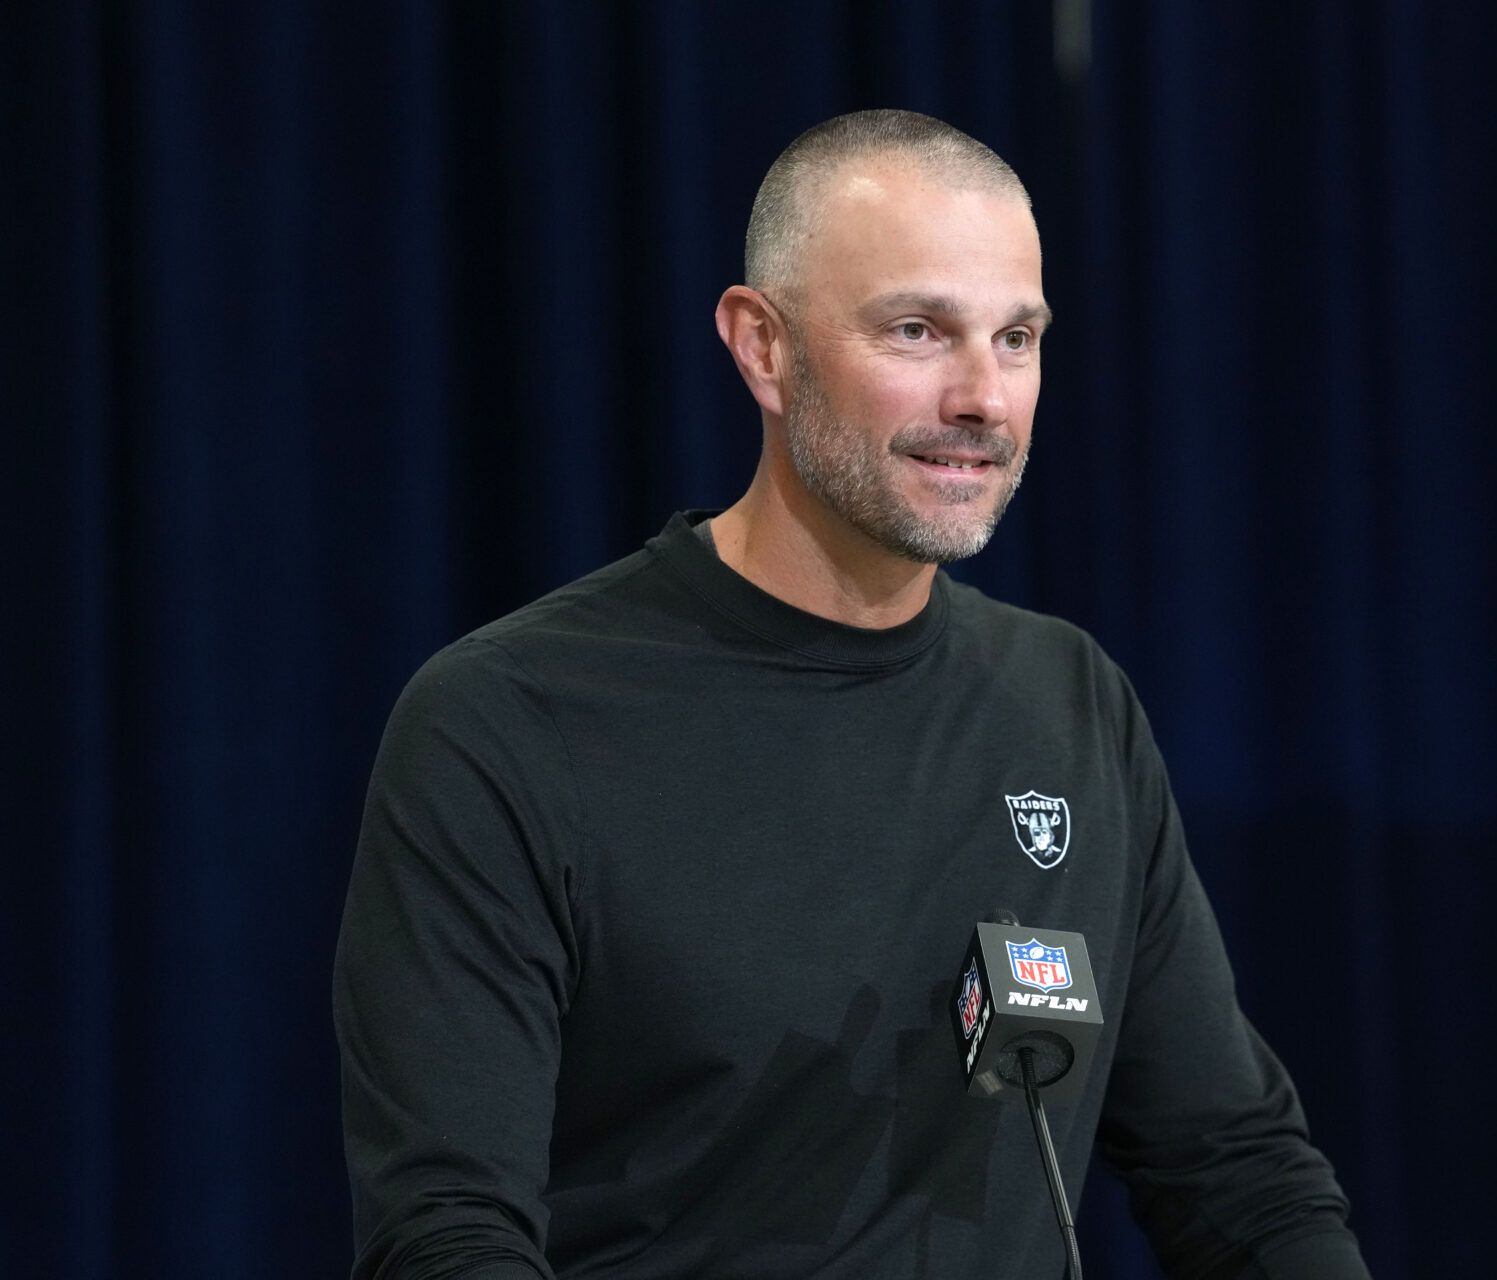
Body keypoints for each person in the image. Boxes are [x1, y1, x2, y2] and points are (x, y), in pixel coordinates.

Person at [334, 109, 1370, 1280]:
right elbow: (448, 1234)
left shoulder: (1069, 702)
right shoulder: (507, 720)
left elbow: (1236, 1174)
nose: (984, 397)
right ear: (762, 346)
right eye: (919, 330)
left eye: (1017, 337)